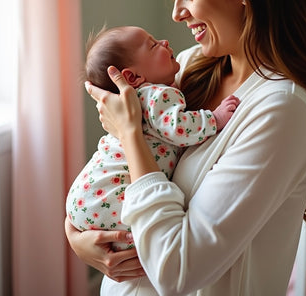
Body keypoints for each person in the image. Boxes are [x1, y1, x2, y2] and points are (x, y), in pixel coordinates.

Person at [65, 0, 306, 295]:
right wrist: (77, 237)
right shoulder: (189, 65)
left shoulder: (281, 110)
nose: (176, 14)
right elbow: (109, 176)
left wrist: (130, 131)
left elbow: (177, 272)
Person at [66, 25, 240, 250]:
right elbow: (178, 128)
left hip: (87, 197)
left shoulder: (143, 98)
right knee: (147, 233)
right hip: (107, 195)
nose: (165, 42)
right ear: (132, 76)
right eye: (153, 45)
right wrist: (214, 118)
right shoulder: (157, 95)